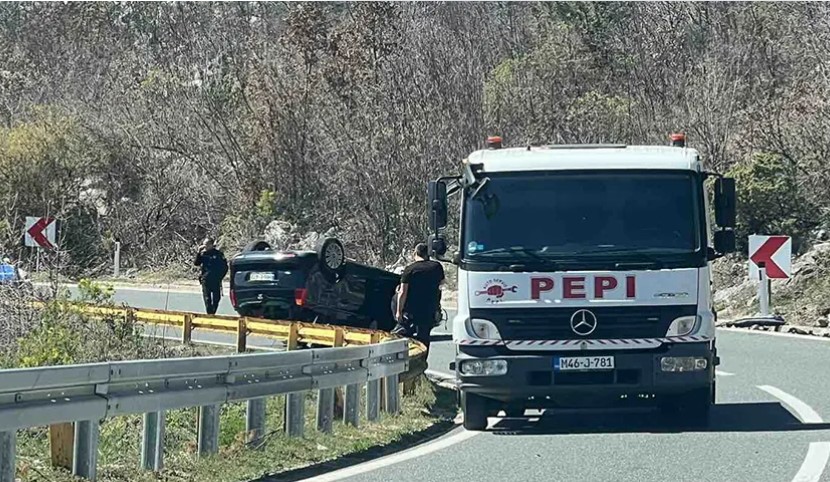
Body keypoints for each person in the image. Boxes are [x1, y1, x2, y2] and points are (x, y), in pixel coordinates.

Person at [393, 242, 445, 352]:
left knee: (407, 335)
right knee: (424, 336)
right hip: (430, 308)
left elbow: (403, 292)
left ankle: (410, 357)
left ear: (415, 253)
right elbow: (441, 285)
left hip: (412, 310)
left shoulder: (410, 269)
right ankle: (423, 359)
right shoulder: (436, 267)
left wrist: (399, 311)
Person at [194, 238, 228, 315]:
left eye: (206, 244)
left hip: (216, 280)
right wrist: (198, 253)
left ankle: (212, 313)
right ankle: (210, 315)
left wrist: (220, 277)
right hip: (205, 280)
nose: (204, 246)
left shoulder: (218, 254)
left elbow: (225, 267)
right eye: (204, 244)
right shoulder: (203, 254)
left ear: (211, 245)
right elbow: (196, 263)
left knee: (216, 299)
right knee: (207, 299)